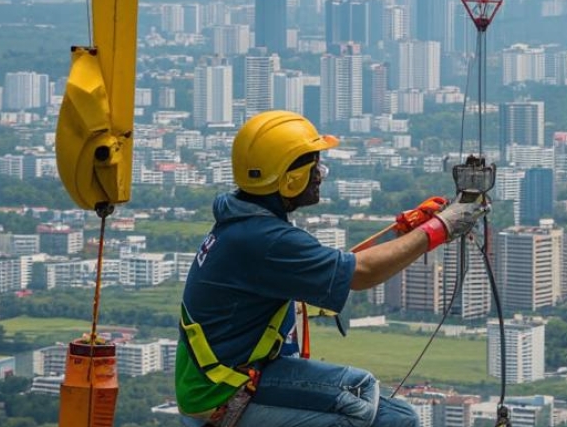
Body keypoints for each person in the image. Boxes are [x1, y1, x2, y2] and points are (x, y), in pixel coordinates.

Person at [175, 110, 489, 427]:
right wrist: (439, 229)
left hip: (232, 374)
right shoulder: (264, 239)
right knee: (358, 409)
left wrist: (405, 233)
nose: (320, 175)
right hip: (222, 393)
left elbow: (334, 265)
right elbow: (360, 274)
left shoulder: (244, 220)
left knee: (397, 417)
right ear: (287, 176)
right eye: (313, 167)